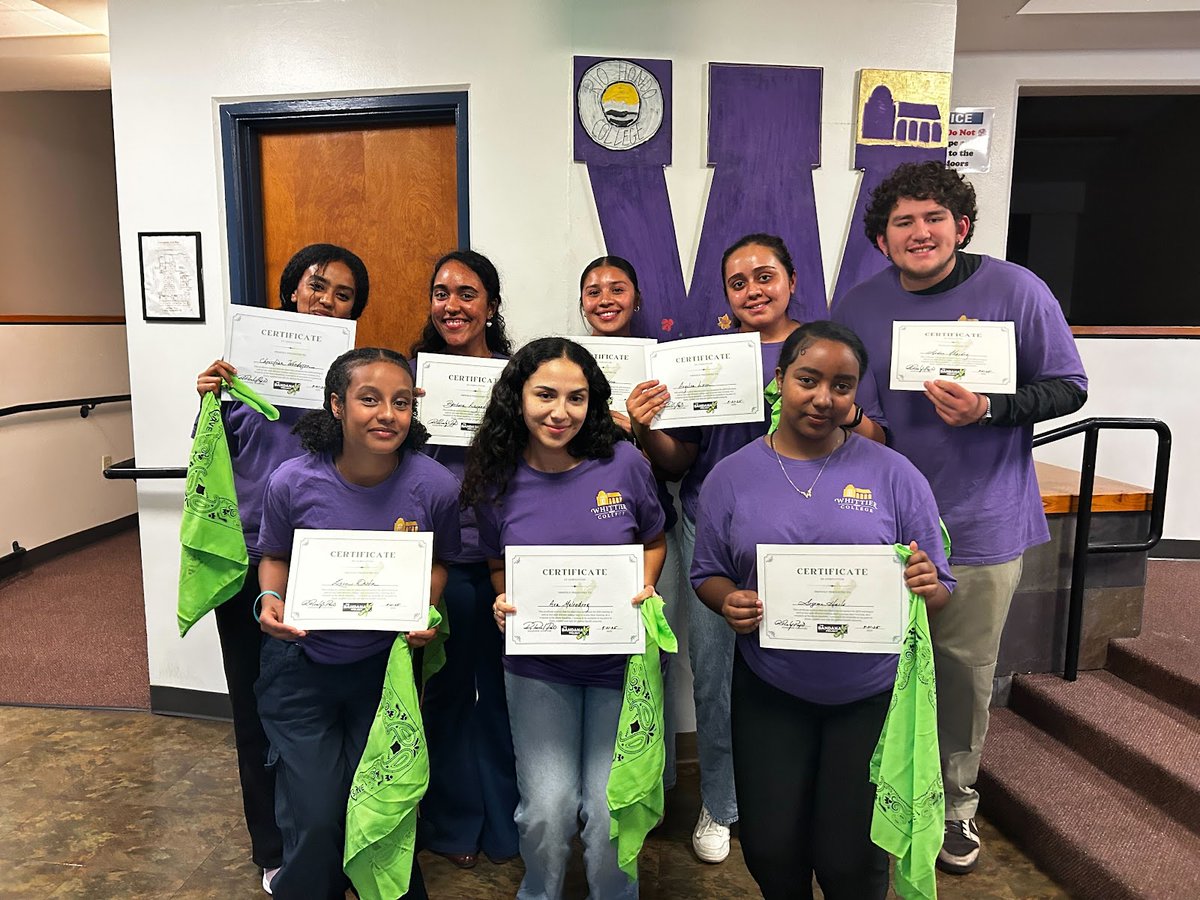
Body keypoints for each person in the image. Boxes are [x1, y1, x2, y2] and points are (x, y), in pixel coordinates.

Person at [832, 160, 1088, 875]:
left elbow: (1068, 385)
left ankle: (952, 808)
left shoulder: (1016, 290)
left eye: (933, 218)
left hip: (983, 523)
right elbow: (870, 419)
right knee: (875, 666)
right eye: (903, 222)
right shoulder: (859, 305)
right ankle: (884, 793)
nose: (920, 233)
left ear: (961, 226)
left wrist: (991, 409)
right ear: (882, 240)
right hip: (881, 527)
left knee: (962, 673)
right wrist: (848, 418)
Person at [627, 234, 885, 864]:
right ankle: (721, 800)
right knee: (715, 674)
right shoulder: (705, 356)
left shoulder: (824, 349)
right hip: (716, 528)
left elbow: (880, 438)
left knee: (808, 660)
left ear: (792, 280)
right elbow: (681, 458)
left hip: (812, 536)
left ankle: (802, 800)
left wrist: (832, 403)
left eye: (765, 275)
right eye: (738, 282)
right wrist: (645, 427)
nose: (753, 290)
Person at [690, 321, 953, 899]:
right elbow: (705, 573)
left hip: (867, 694)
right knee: (770, 849)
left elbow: (939, 590)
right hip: (770, 686)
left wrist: (926, 582)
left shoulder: (894, 473)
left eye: (842, 386)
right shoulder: (729, 478)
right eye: (808, 379)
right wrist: (727, 600)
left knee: (848, 860)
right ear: (779, 379)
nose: (823, 398)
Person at [462, 337, 667, 900]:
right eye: (545, 395)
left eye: (576, 398)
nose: (560, 412)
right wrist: (504, 598)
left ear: (593, 401)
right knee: (547, 812)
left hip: (617, 664)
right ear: (517, 398)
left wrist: (644, 584)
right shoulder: (497, 473)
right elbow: (496, 559)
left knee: (608, 812)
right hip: (538, 665)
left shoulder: (623, 461)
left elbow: (653, 538)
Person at [193, 242, 369, 894]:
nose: (325, 298)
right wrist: (210, 399)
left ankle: (341, 840)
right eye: (316, 285)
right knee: (254, 713)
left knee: (332, 710)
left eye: (342, 293)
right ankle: (273, 845)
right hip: (245, 561)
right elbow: (207, 464)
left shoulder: (354, 385)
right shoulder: (237, 381)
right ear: (291, 291)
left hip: (329, 564)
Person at [253, 348, 461, 900]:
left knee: (382, 800)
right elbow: (273, 554)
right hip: (302, 667)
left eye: (400, 402)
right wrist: (271, 598)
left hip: (384, 671)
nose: (387, 414)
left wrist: (425, 610)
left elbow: (438, 563)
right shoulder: (292, 482)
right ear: (336, 405)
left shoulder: (435, 486)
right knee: (317, 811)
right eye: (369, 399)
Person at [410, 250, 520, 869]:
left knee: (508, 695)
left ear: (492, 306)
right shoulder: (410, 379)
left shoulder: (518, 377)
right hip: (437, 562)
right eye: (442, 293)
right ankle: (452, 823)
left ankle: (507, 823)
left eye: (468, 293)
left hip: (507, 560)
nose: (453, 306)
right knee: (447, 693)